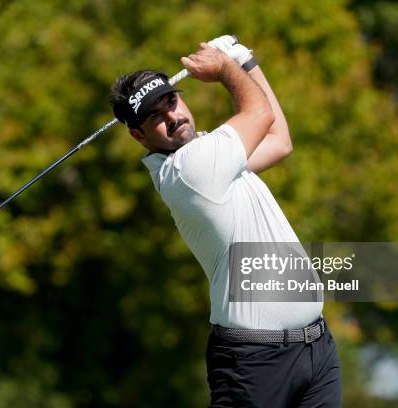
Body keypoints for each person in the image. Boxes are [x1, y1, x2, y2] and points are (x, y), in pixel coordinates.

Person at [109, 36, 342, 407]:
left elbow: (280, 140)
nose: (173, 116)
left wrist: (245, 61)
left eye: (172, 101)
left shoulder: (213, 156)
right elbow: (260, 114)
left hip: (317, 350)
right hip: (255, 363)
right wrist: (227, 66)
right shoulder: (190, 169)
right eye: (156, 117)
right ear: (138, 135)